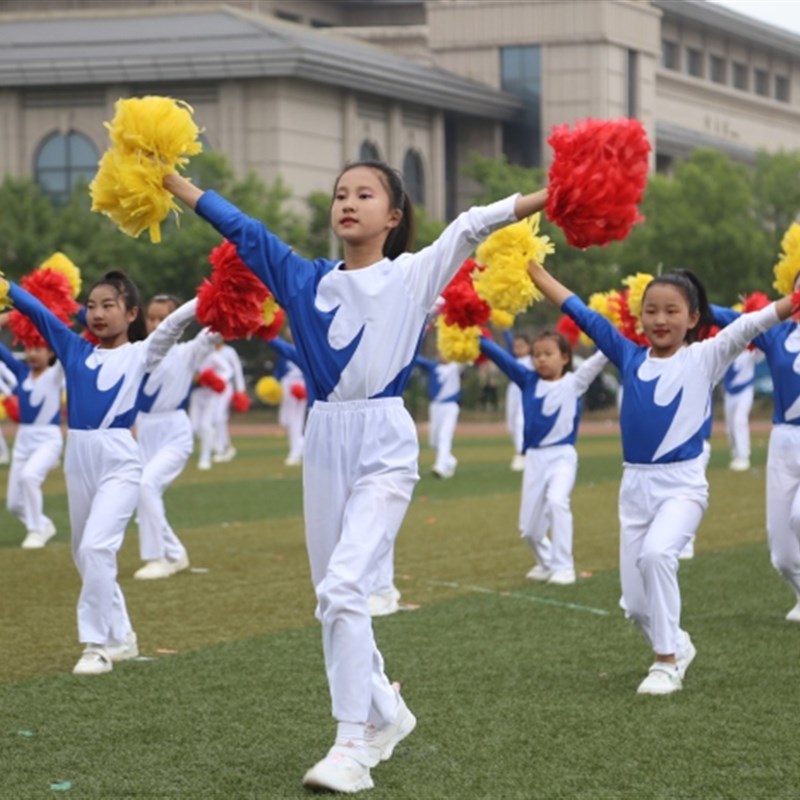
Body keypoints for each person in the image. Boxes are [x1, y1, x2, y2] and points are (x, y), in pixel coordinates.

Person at [162, 160, 548, 792]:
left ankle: (351, 747)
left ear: (392, 216)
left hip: (385, 441)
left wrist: (556, 194)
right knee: (332, 598)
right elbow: (240, 227)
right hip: (323, 437)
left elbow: (475, 224)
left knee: (345, 587)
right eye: (340, 193)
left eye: (365, 194)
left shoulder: (414, 273)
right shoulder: (301, 277)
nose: (348, 203)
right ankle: (388, 712)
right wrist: (173, 182)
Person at [529, 261, 798, 696]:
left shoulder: (707, 354)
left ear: (694, 318)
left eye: (672, 311)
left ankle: (666, 662)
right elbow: (583, 314)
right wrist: (538, 276)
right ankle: (678, 643)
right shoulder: (629, 355)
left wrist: (795, 300)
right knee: (635, 607)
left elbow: (755, 321)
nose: (660, 319)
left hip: (683, 488)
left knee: (657, 556)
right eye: (651, 310)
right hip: (634, 488)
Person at [2, 271, 198, 675]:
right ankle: (123, 636)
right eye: (91, 306)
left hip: (119, 458)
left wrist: (215, 294)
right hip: (79, 455)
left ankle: (96, 645)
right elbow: (36, 310)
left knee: (95, 549)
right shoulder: (73, 349)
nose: (98, 313)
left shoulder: (142, 352)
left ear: (131, 314)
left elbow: (176, 323)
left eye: (109, 305)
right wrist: (6, 287)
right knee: (83, 554)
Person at [480, 331, 607, 585]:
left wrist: (619, 334)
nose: (541, 360)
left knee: (557, 502)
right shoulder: (528, 380)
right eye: (537, 355)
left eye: (548, 354)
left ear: (565, 357)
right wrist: (474, 335)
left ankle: (564, 566)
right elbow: (500, 357)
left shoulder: (575, 382)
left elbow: (600, 358)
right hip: (535, 459)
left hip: (562, 457)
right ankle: (546, 562)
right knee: (529, 530)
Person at [712, 277, 800, 622]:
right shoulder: (775, 333)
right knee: (781, 556)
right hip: (782, 442)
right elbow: (733, 320)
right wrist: (689, 299)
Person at [134, 294, 219, 580]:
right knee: (142, 492)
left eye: (164, 318)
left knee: (147, 485)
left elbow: (216, 331)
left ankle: (157, 558)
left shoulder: (187, 352)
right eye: (152, 318)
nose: (157, 324)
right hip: (142, 430)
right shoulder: (138, 351)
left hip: (174, 431)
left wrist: (232, 298)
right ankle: (175, 553)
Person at [0, 340, 63, 548]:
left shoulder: (55, 374)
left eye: (38, 349)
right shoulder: (21, 372)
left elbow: (67, 345)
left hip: (48, 438)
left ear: (50, 352)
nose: (32, 353)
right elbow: (4, 353)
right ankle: (44, 524)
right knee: (13, 504)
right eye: (29, 348)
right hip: (23, 438)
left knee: (29, 477)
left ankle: (36, 531)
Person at [414, 353, 462, 479]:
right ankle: (450, 461)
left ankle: (440, 467)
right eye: (440, 353)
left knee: (444, 436)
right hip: (435, 407)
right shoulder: (433, 367)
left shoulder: (455, 367)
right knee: (433, 442)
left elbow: (467, 357)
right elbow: (417, 359)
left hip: (450, 406)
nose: (442, 355)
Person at [269, 334, 309, 467]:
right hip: (286, 385)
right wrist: (273, 384)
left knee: (296, 420)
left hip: (300, 385)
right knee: (286, 420)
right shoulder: (284, 351)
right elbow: (279, 370)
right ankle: (302, 446)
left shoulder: (306, 349)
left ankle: (295, 452)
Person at [722, 348, 760, 472]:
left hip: (745, 391)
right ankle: (736, 453)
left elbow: (764, 350)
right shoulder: (727, 353)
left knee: (739, 420)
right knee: (730, 426)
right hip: (729, 393)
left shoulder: (751, 353)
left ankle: (743, 457)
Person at [504, 331, 532, 472]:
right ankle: (520, 451)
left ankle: (523, 453)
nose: (518, 349)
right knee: (511, 424)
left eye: (522, 346)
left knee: (520, 422)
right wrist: (505, 329)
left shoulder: (532, 360)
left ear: (529, 347)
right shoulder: (513, 359)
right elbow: (508, 344)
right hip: (513, 390)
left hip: (525, 389)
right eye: (516, 346)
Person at [0, 360, 19, 465]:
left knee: (29, 425)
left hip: (8, 400)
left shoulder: (1, 365)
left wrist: (10, 394)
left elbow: (13, 380)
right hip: (6, 399)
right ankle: (4, 453)